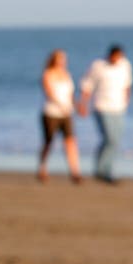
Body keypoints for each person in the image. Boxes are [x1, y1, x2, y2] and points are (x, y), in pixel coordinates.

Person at [78, 44, 133, 184]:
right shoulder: (98, 66)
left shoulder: (125, 65)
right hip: (102, 107)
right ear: (110, 55)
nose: (117, 59)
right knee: (110, 138)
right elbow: (87, 85)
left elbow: (127, 84)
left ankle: (107, 168)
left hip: (119, 108)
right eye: (115, 56)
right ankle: (101, 170)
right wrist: (83, 104)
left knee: (116, 140)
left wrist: (127, 99)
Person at [39, 49, 82, 183]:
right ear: (54, 60)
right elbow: (49, 93)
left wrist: (76, 105)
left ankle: (75, 172)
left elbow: (70, 95)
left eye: (64, 59)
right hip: (51, 113)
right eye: (60, 58)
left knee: (70, 141)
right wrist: (61, 106)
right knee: (49, 142)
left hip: (67, 114)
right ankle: (42, 168)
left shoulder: (66, 74)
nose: (63, 61)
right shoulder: (48, 74)